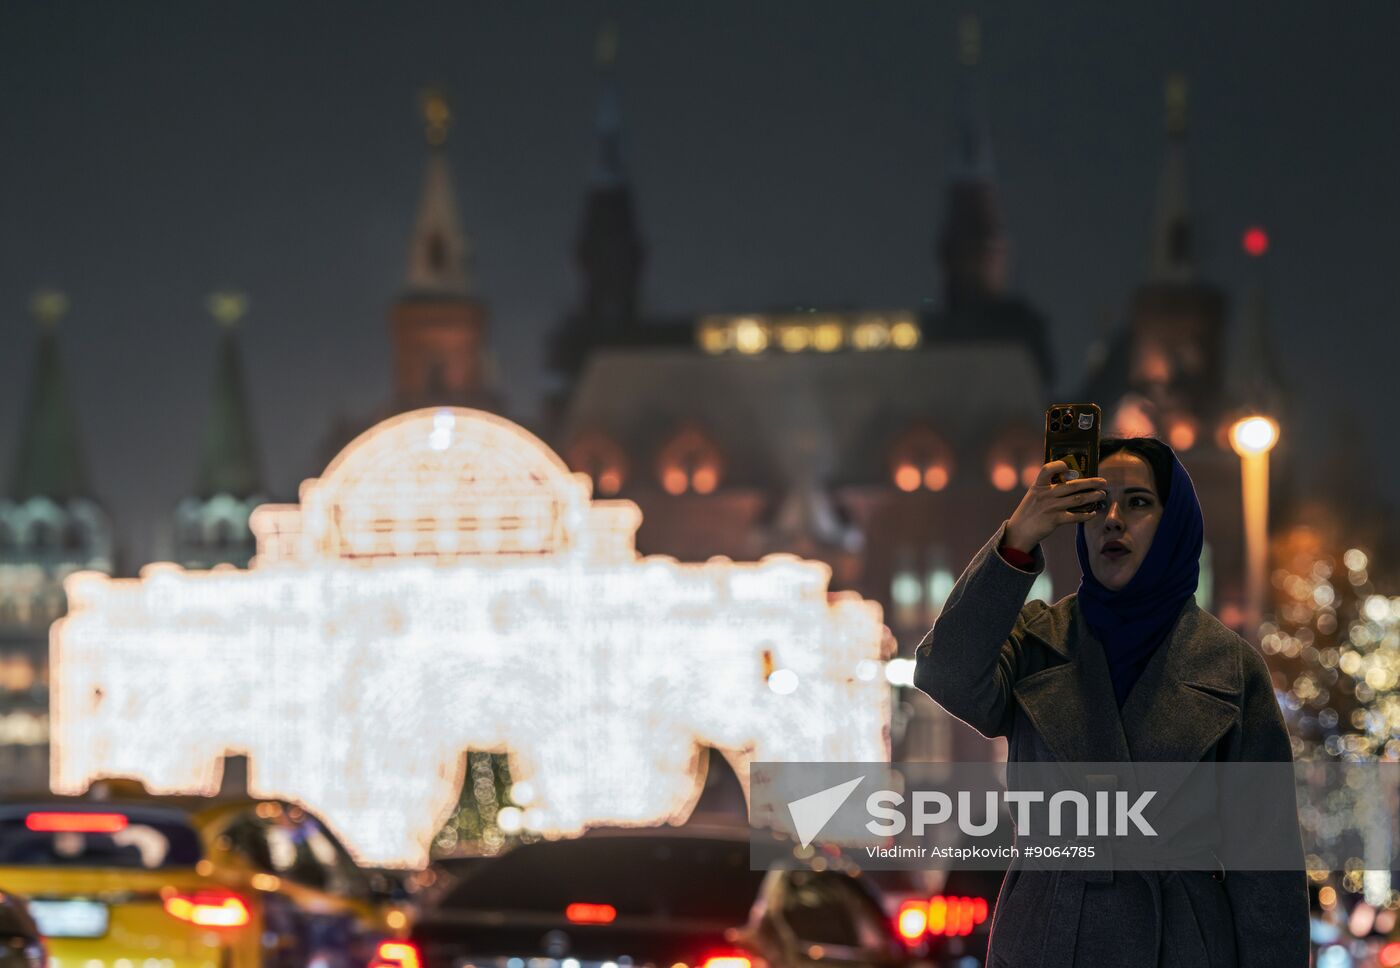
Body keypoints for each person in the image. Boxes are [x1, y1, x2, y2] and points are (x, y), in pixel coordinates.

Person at [912, 435, 1309, 968]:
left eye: (1139, 502)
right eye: (1097, 504)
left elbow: (1265, 869)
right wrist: (1020, 537)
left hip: (1182, 940)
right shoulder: (1037, 639)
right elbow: (947, 673)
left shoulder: (1231, 668)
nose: (1113, 519)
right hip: (1047, 935)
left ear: (1173, 524)